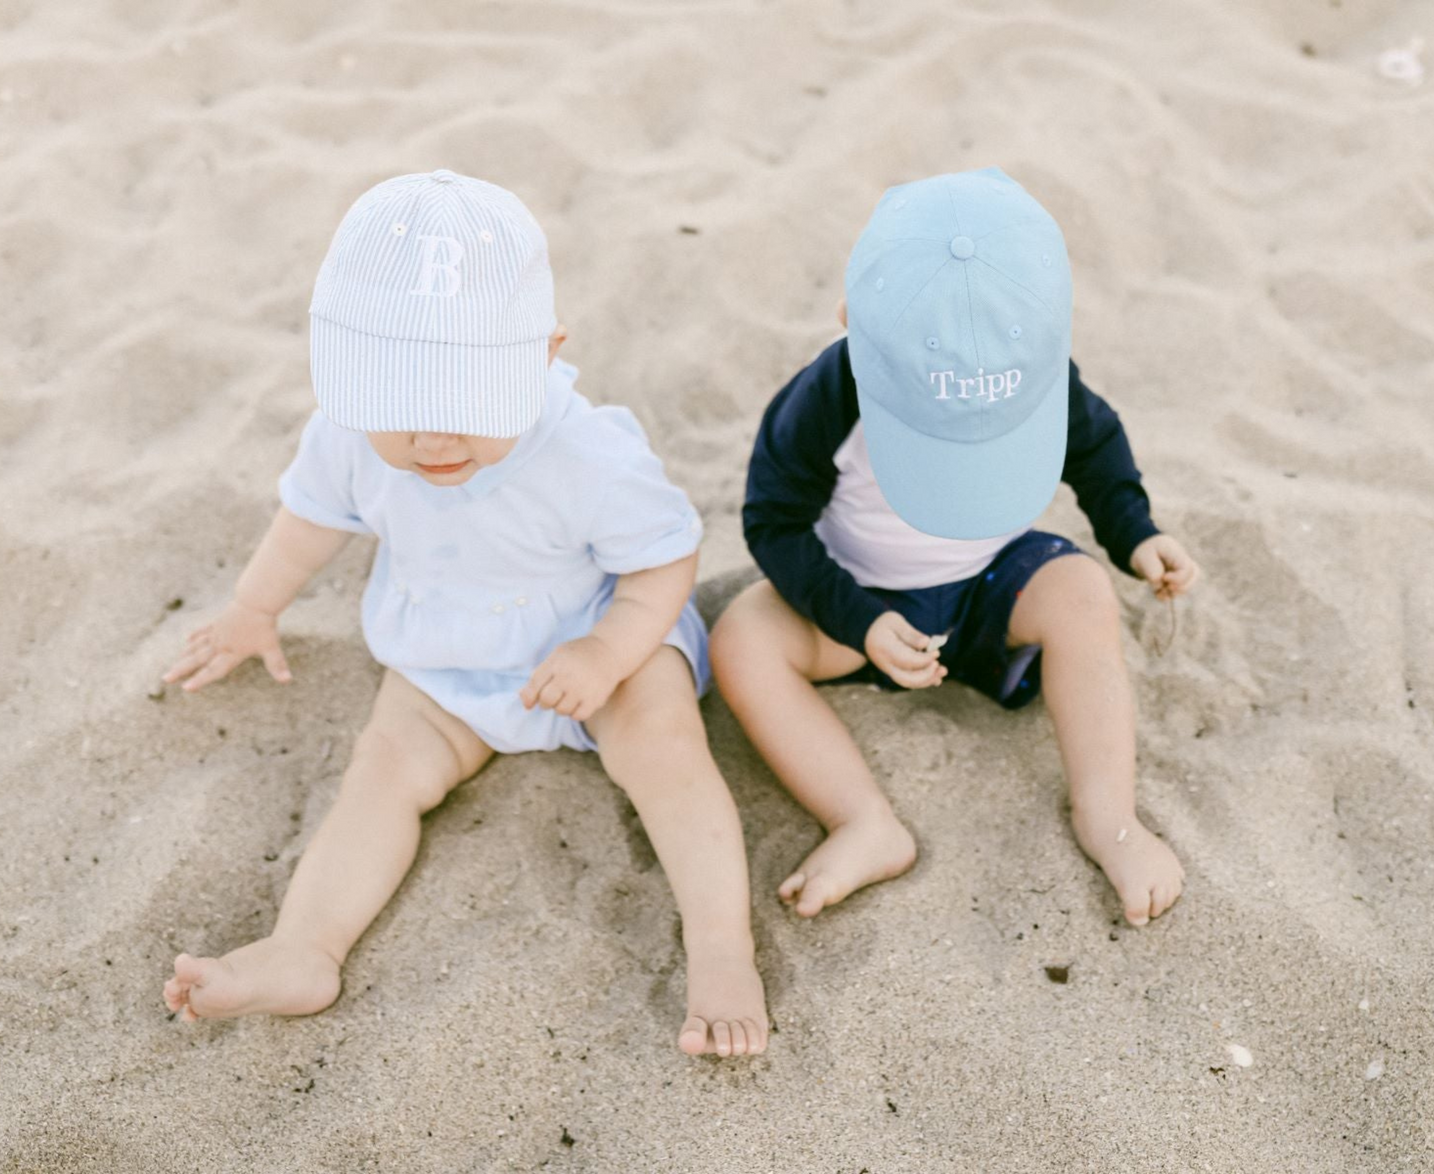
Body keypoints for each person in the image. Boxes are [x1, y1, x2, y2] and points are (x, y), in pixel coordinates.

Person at [161, 170, 768, 1058]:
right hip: (444, 647)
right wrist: (255, 607)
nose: (434, 442)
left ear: (543, 351)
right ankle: (305, 948)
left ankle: (722, 948)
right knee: (380, 771)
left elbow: (663, 559)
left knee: (665, 748)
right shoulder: (347, 431)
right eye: (401, 407)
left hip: (595, 634)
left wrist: (606, 651)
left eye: (466, 405)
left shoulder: (586, 455)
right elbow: (309, 520)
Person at [711, 168, 1199, 928]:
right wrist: (859, 620)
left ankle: (1110, 818)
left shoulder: (1036, 374)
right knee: (742, 637)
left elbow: (1095, 449)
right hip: (864, 602)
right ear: (849, 324)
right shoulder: (827, 395)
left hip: (989, 584)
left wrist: (1135, 534)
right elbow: (772, 522)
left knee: (1082, 594)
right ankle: (862, 820)